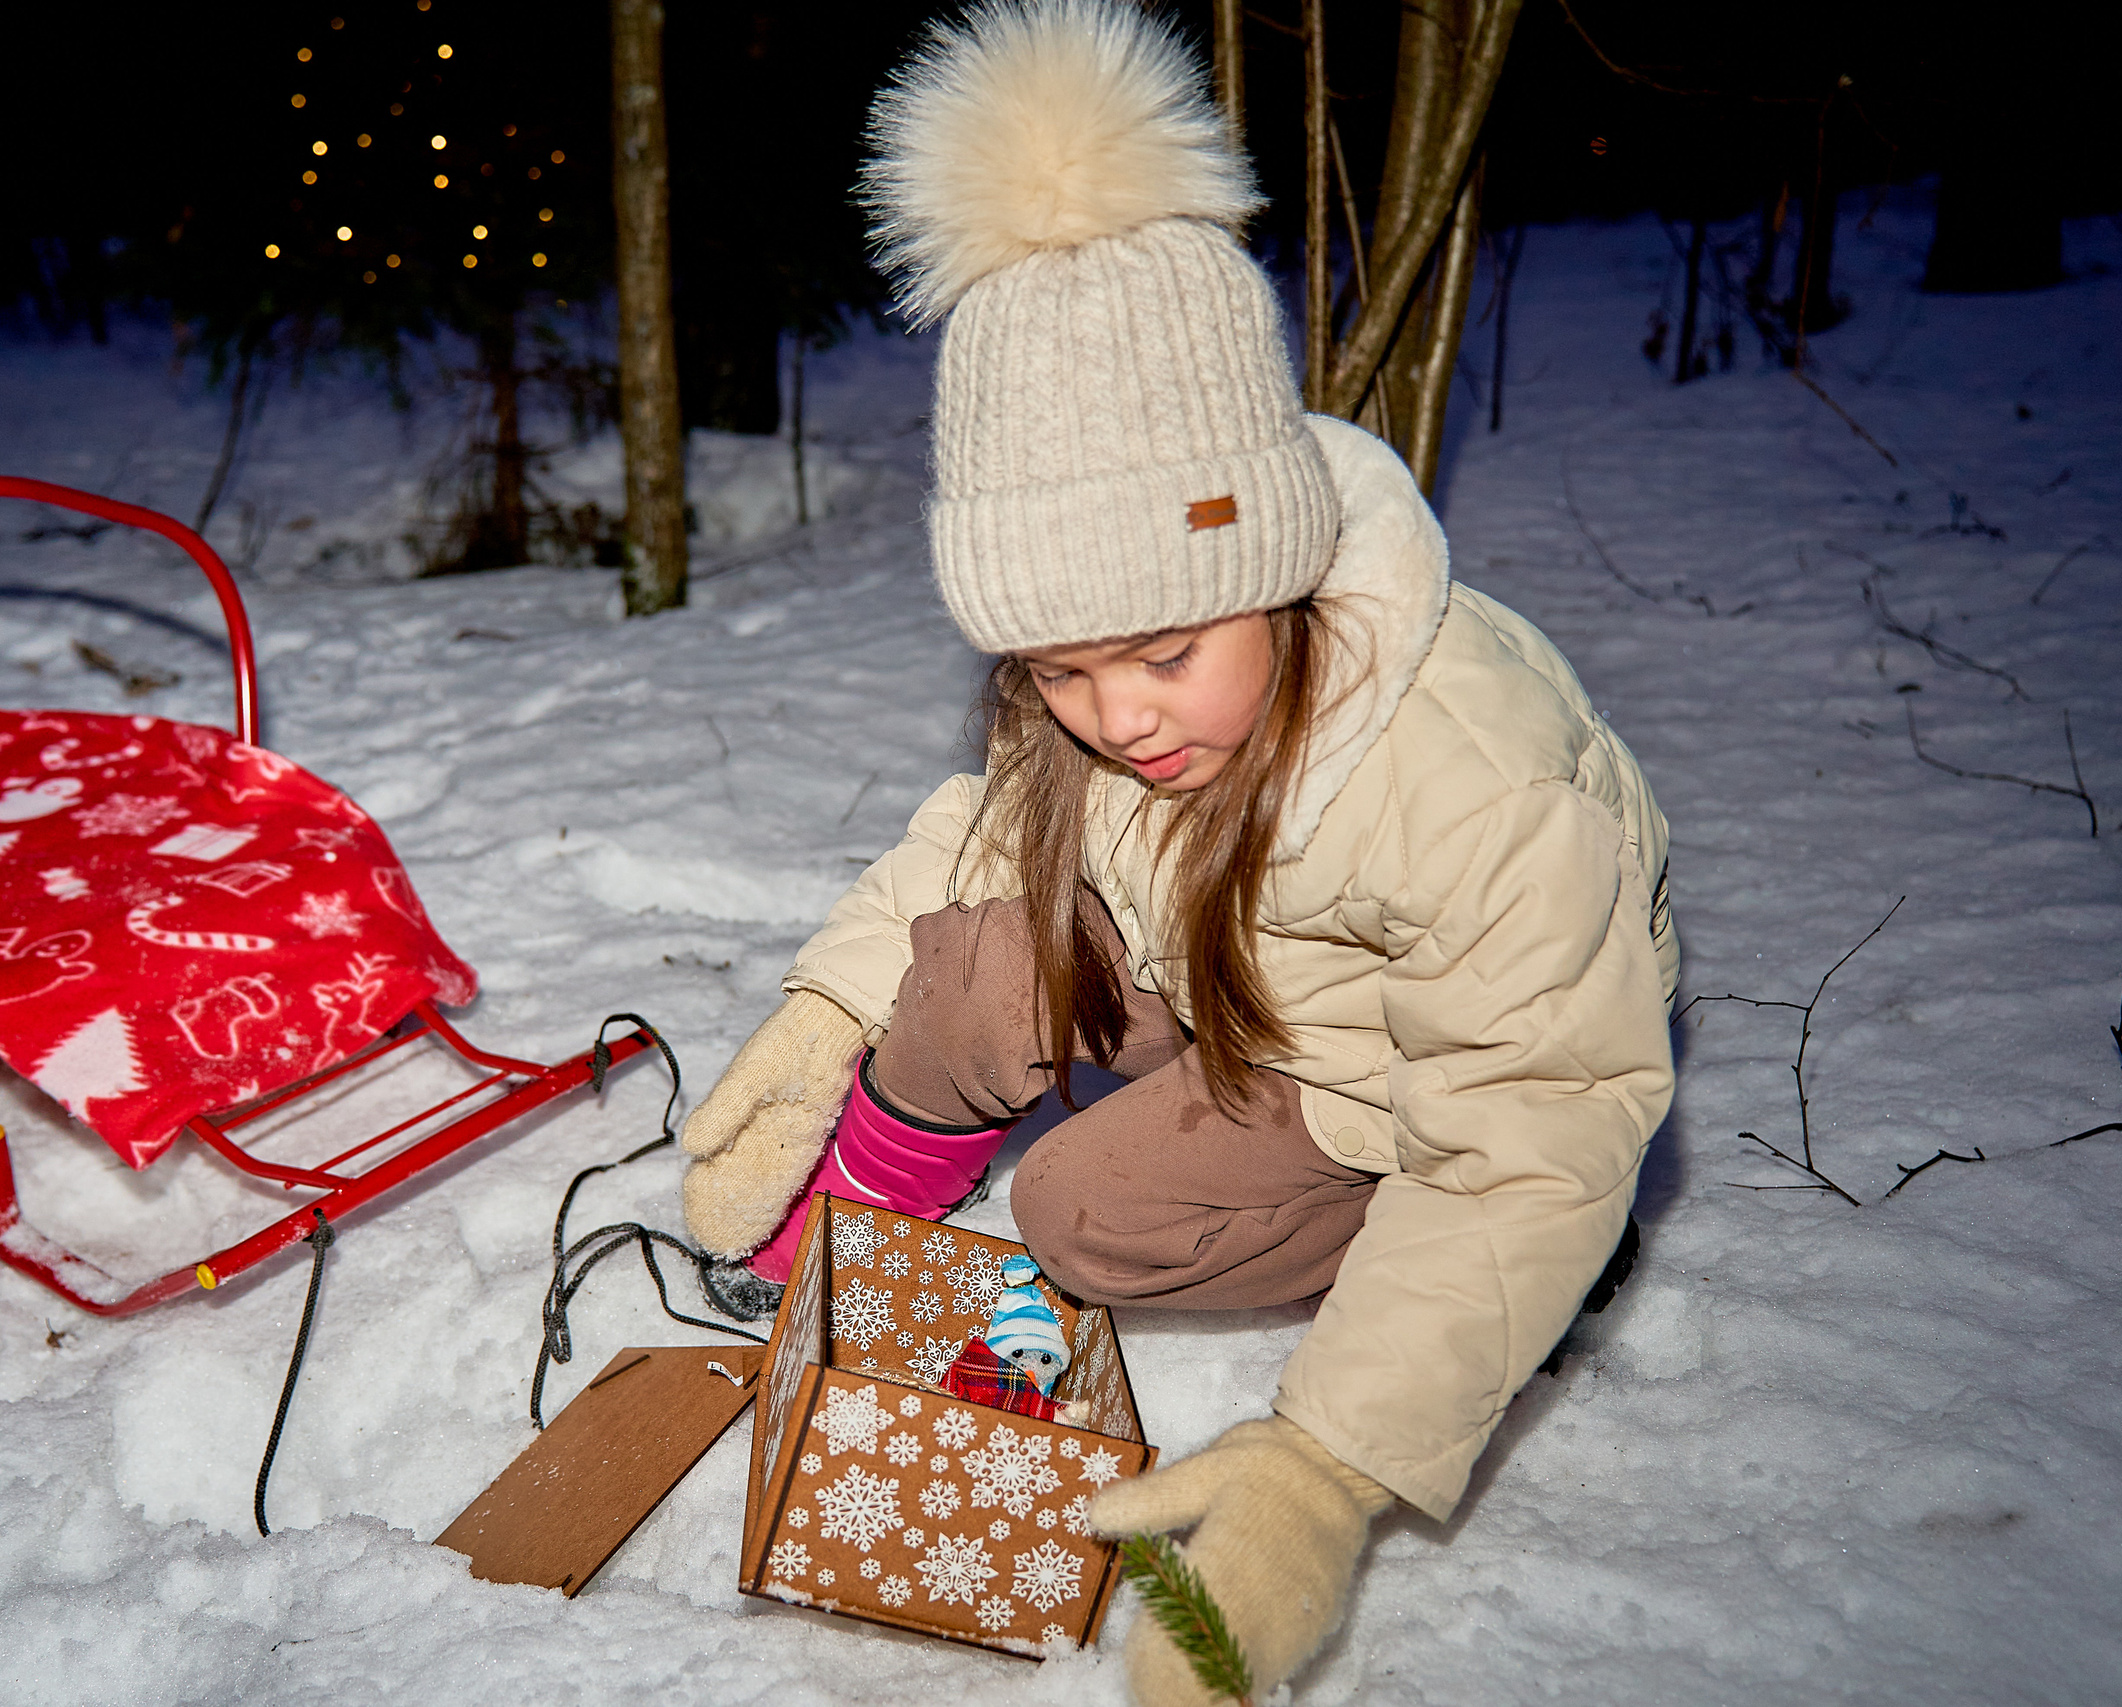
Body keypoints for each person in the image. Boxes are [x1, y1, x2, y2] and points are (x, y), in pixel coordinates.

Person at [677, 3, 1678, 1700]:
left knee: (1083, 1213)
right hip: (1223, 964)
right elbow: (979, 835)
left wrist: (1328, 1466)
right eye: (1059, 671)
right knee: (973, 965)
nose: (1119, 716)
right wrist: (820, 1025)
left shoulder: (1462, 775)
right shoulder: (1106, 695)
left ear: (1275, 565)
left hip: (1397, 1076)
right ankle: (847, 1252)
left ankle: (1492, 1286)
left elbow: (1537, 1115)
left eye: (1160, 656)